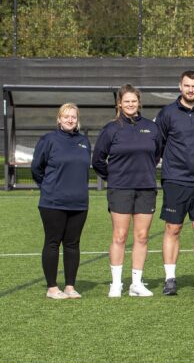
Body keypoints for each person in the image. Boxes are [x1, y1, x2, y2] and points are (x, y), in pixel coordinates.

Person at [92, 84, 164, 298]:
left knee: (142, 237)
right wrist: (113, 177)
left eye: (134, 101)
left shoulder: (151, 128)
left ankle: (136, 283)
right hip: (120, 189)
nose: (131, 104)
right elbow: (98, 160)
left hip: (146, 188)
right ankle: (116, 283)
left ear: (139, 102)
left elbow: (157, 154)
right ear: (119, 103)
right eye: (127, 101)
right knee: (120, 236)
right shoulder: (111, 129)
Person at [155, 70, 194, 296]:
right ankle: (170, 279)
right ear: (180, 86)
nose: (191, 89)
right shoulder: (167, 113)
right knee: (173, 228)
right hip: (175, 180)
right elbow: (157, 145)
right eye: (187, 85)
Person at [31, 103, 92, 299]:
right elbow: (36, 168)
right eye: (66, 116)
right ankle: (52, 288)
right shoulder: (48, 140)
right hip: (53, 202)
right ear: (59, 119)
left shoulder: (84, 141)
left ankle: (70, 287)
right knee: (52, 243)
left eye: (73, 117)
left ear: (77, 119)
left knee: (73, 244)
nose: (70, 120)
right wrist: (49, 187)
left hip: (79, 203)